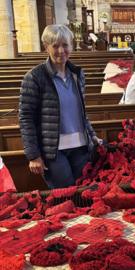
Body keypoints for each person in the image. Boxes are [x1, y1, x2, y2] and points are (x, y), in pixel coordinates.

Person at [19, 24, 102, 189]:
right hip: (53, 151)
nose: (61, 50)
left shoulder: (77, 74)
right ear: (46, 47)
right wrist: (33, 155)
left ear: (71, 45)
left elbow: (81, 113)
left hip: (81, 147)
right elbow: (26, 117)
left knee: (83, 194)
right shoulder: (35, 77)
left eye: (65, 45)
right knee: (65, 196)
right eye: (55, 46)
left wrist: (93, 136)